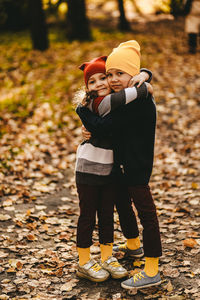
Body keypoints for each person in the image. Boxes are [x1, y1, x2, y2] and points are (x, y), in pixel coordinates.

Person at [76, 40, 162, 289]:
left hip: (135, 167)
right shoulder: (124, 97)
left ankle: (152, 269)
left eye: (119, 74)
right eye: (109, 74)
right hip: (121, 165)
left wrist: (82, 113)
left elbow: (104, 126)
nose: (113, 79)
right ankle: (134, 246)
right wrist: (145, 75)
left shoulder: (136, 102)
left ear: (133, 75)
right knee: (122, 205)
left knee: (147, 215)